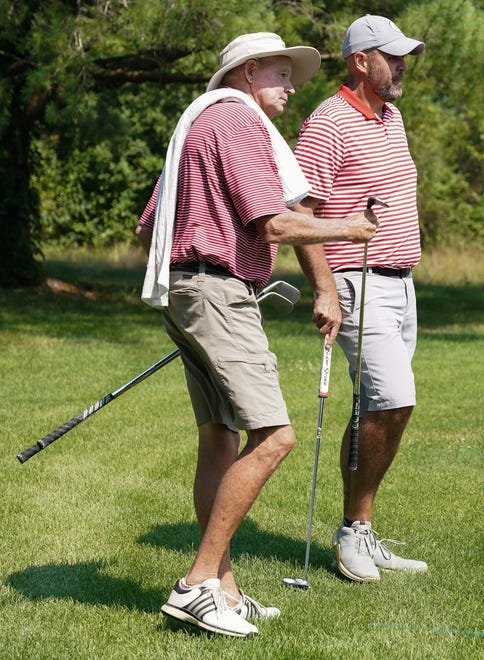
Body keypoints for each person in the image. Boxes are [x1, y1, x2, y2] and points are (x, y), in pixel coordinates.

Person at [136, 32, 377, 637]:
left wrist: (201, 270)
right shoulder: (238, 124)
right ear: (246, 73)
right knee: (275, 437)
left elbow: (149, 226)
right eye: (280, 73)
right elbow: (271, 224)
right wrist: (348, 227)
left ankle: (224, 590)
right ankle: (196, 585)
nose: (292, 86)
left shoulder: (198, 123)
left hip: (190, 291)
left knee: (220, 439)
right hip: (216, 293)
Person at [293, 14, 429, 583]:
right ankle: (352, 531)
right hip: (358, 281)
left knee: (373, 406)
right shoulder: (328, 123)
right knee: (393, 400)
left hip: (401, 283)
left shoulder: (391, 117)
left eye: (403, 57)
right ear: (359, 61)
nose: (401, 66)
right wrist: (324, 287)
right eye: (391, 56)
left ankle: (362, 527)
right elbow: (300, 213)